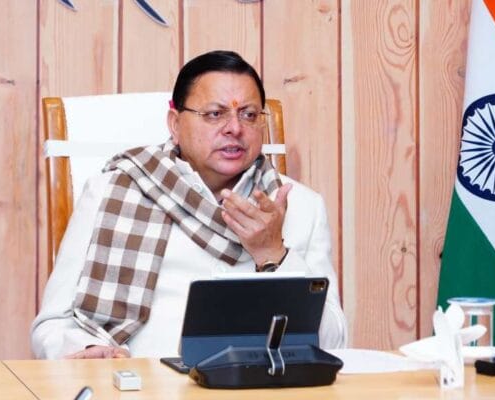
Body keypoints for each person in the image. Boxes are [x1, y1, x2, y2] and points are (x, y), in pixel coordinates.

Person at [31, 50, 347, 359]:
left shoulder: (300, 206)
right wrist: (89, 352)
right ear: (175, 124)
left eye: (249, 115)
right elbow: (52, 325)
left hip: (257, 385)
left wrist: (273, 253)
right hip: (137, 382)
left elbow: (333, 341)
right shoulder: (111, 191)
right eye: (215, 114)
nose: (235, 128)